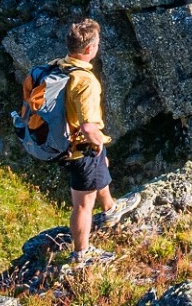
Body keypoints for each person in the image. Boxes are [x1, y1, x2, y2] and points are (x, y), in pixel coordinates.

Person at [59, 18, 125, 266]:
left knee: (102, 162)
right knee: (82, 206)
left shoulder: (59, 66)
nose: (98, 48)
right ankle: (81, 255)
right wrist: (98, 143)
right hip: (78, 149)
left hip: (61, 140)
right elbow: (88, 127)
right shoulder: (85, 81)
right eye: (96, 44)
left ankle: (109, 209)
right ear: (89, 49)